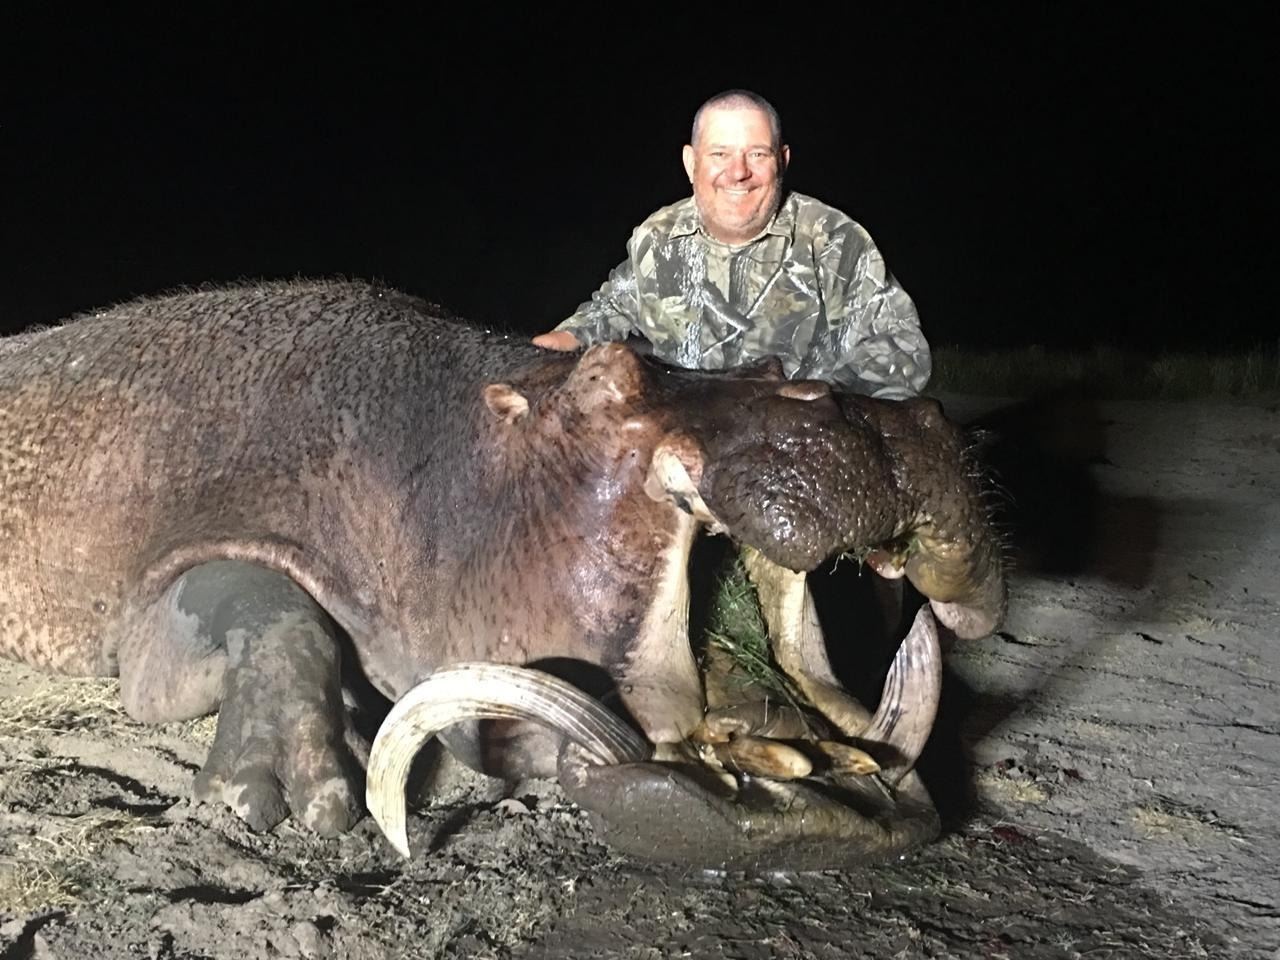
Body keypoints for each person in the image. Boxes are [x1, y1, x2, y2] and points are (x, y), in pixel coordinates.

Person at [533, 89, 930, 400]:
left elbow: (902, 350)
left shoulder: (835, 241)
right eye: (720, 153)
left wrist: (820, 400)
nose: (738, 172)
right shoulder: (657, 238)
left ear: (782, 160)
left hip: (801, 444)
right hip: (687, 436)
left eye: (756, 154)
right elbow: (615, 306)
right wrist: (560, 341)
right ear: (691, 163)